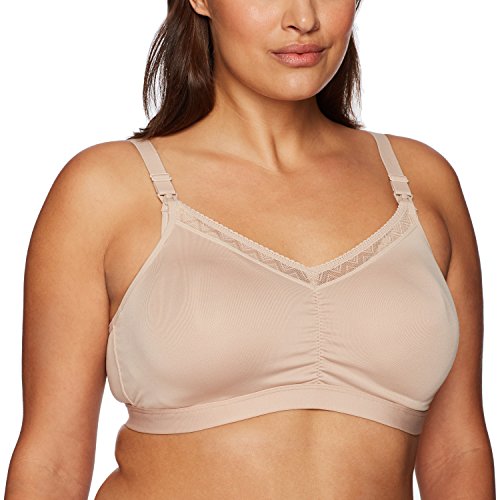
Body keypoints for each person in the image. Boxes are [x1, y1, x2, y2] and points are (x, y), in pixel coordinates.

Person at [5, 0, 495, 498]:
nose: (304, 19)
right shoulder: (107, 190)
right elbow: (52, 465)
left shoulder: (421, 182)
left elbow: (458, 452)